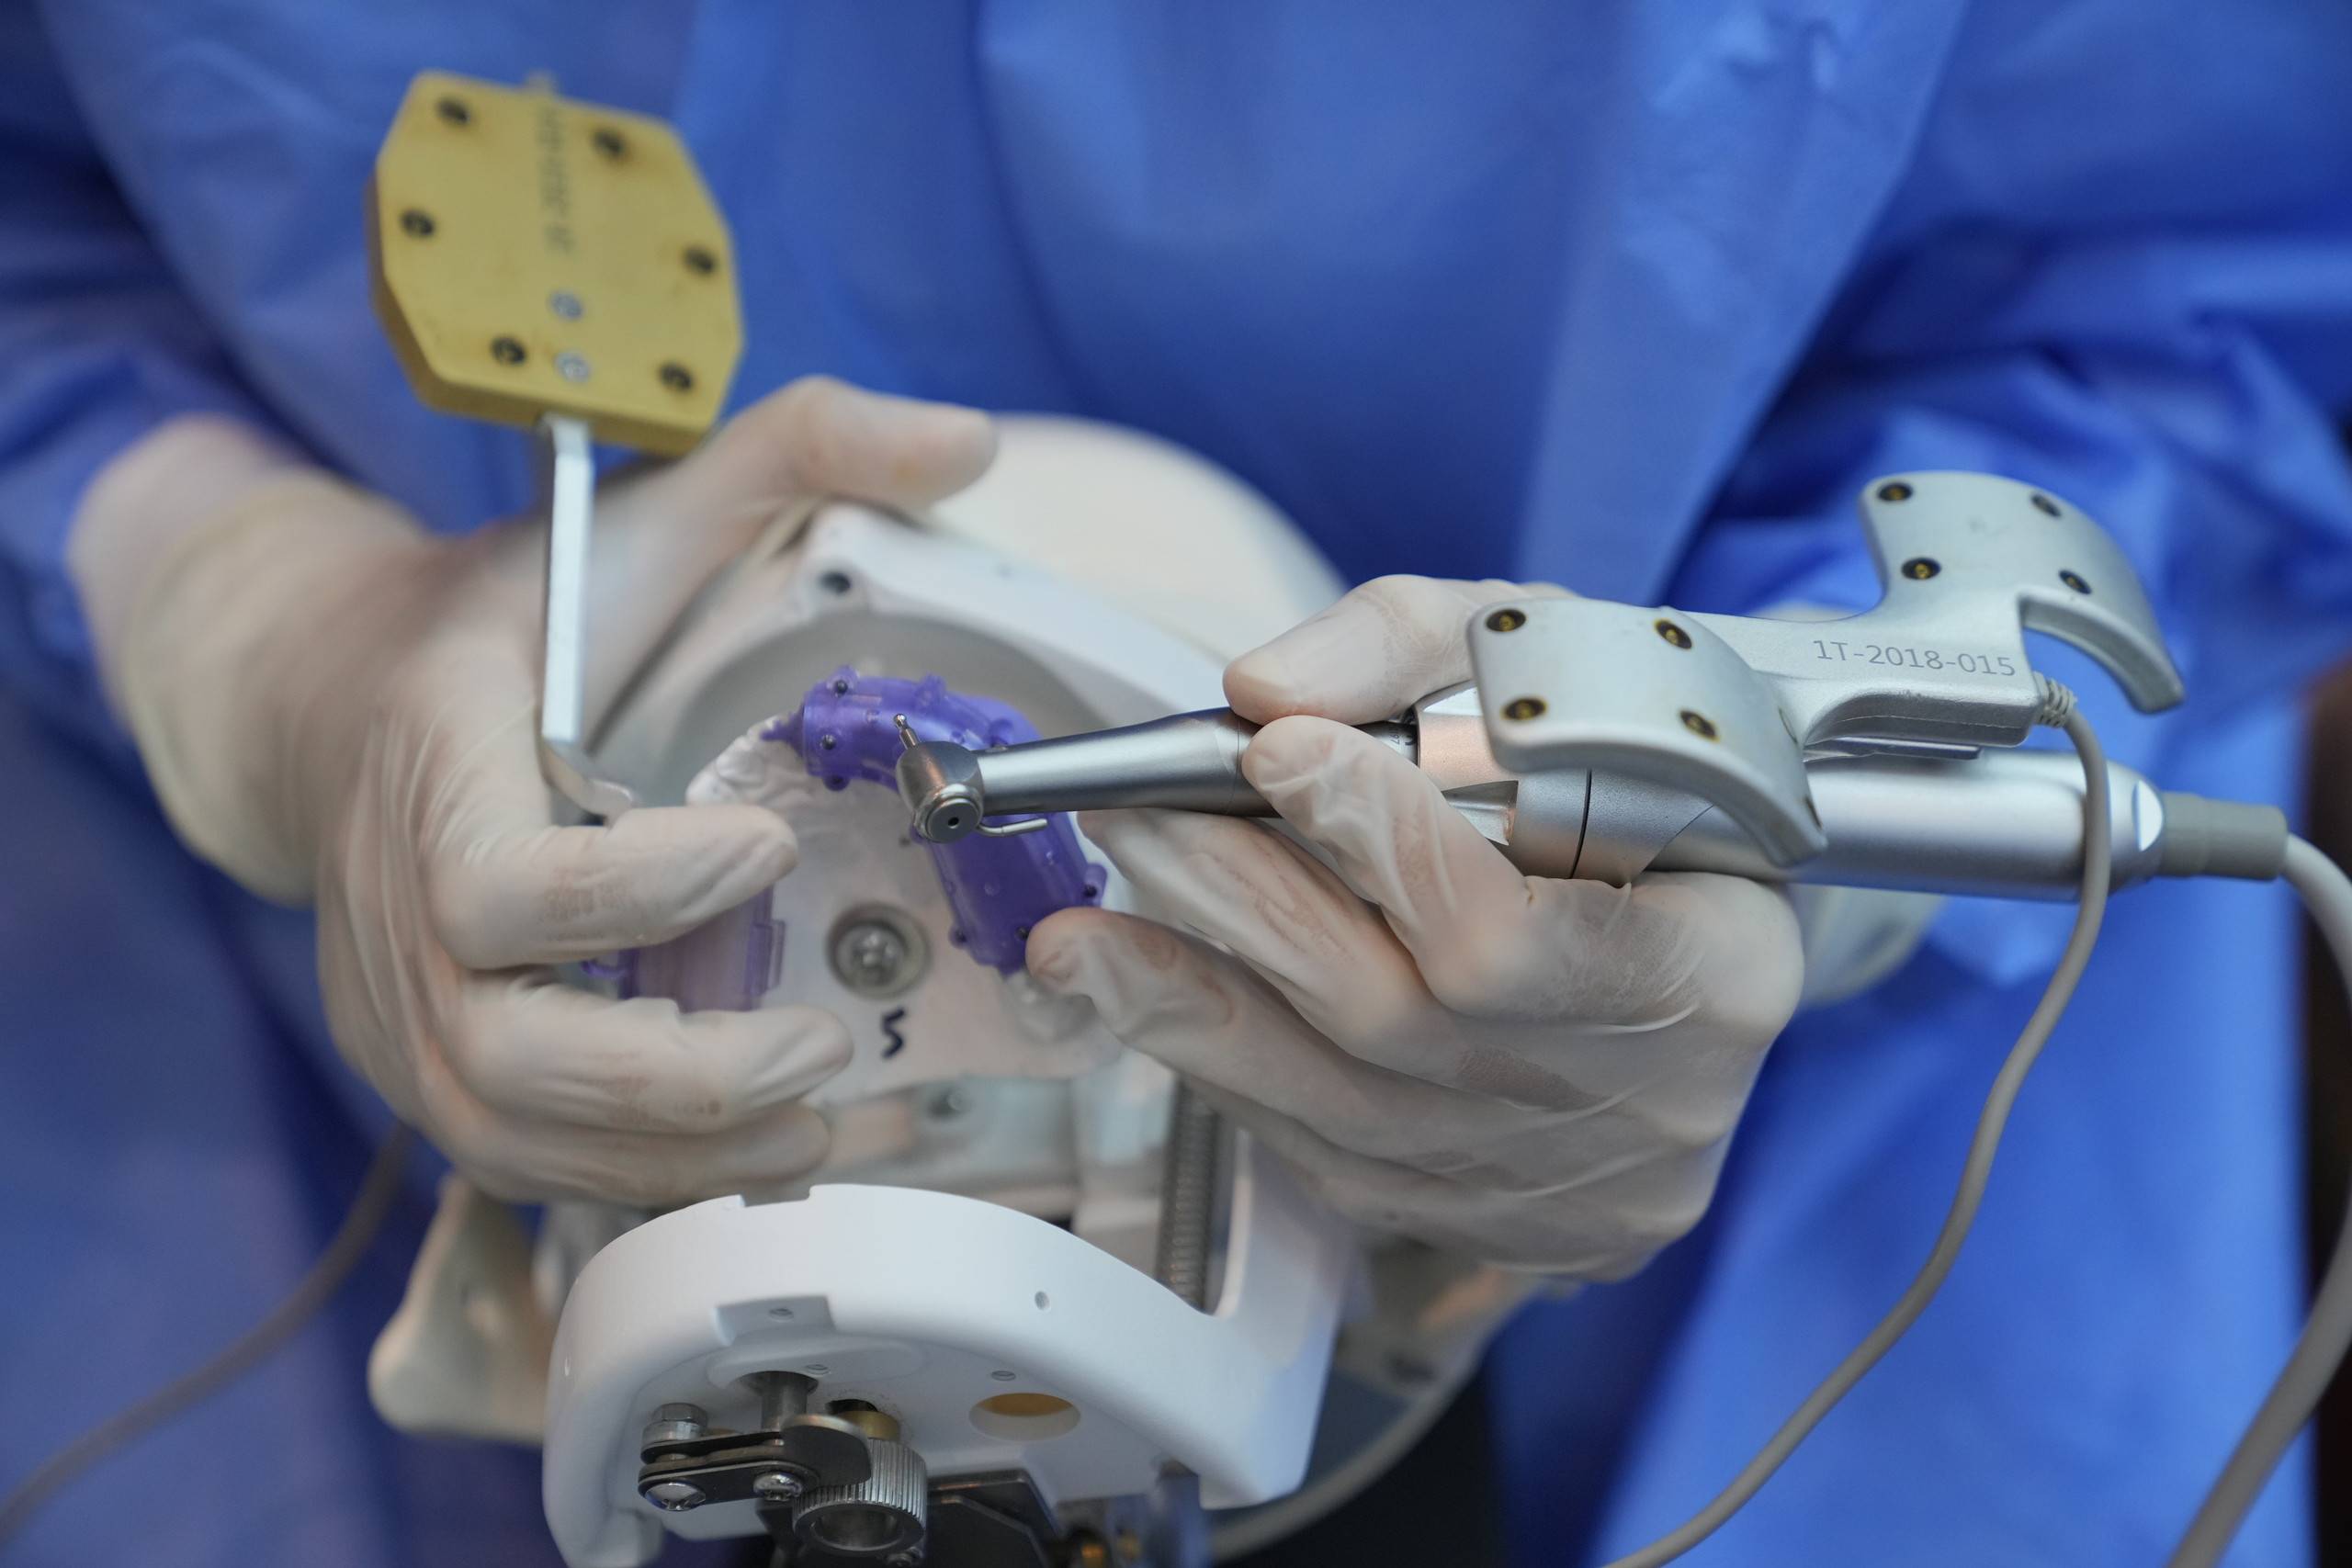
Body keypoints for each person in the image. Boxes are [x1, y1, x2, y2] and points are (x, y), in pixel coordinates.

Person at [4, 5, 2349, 1565]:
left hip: (1816, 1169)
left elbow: (2210, 270)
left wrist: (1783, 807)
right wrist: (254, 618)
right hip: (305, 1032)